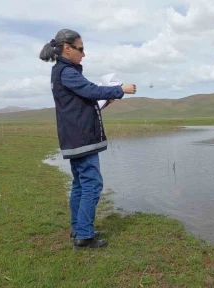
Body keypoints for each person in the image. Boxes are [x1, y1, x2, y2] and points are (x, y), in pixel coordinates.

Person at [39, 29, 137, 249]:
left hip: (75, 137)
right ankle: (84, 235)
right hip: (81, 138)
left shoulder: (64, 72)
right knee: (92, 184)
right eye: (80, 49)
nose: (83, 54)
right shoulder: (67, 72)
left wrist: (105, 100)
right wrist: (119, 89)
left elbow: (83, 100)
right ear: (67, 48)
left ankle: (79, 229)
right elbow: (90, 89)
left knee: (80, 185)